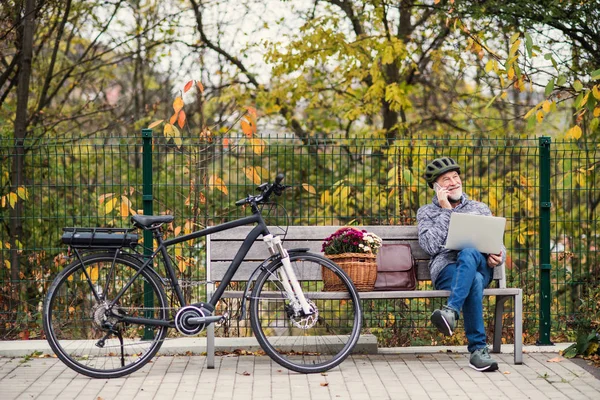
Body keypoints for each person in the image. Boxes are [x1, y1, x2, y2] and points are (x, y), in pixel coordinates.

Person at [417, 157, 505, 372]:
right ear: (436, 187)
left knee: (470, 252)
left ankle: (451, 310)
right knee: (472, 278)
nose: (453, 182)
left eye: (455, 177)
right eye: (446, 179)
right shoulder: (426, 212)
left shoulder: (479, 208)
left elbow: (497, 241)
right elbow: (430, 246)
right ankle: (478, 350)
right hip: (447, 269)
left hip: (481, 265)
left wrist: (499, 254)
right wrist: (446, 210)